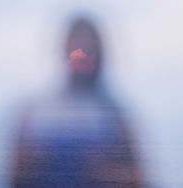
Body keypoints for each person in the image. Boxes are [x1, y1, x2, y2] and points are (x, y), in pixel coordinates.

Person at [10, 16, 143, 187]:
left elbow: (139, 179)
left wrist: (103, 172)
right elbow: (13, 176)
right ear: (64, 50)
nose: (81, 56)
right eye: (77, 50)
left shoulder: (114, 115)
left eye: (88, 51)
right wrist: (27, 166)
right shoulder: (33, 112)